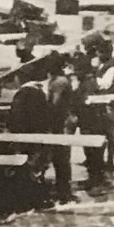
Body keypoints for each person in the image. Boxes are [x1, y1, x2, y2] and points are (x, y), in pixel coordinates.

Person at [45, 58, 78, 202]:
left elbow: (55, 104)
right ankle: (63, 189)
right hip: (62, 121)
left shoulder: (59, 82)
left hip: (63, 122)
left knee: (62, 158)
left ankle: (64, 192)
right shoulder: (58, 80)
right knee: (61, 158)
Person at [94, 39, 114, 170]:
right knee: (106, 132)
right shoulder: (111, 64)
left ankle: (109, 161)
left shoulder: (113, 66)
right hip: (111, 103)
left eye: (99, 52)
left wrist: (91, 79)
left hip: (110, 104)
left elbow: (105, 84)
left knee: (107, 132)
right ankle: (104, 160)